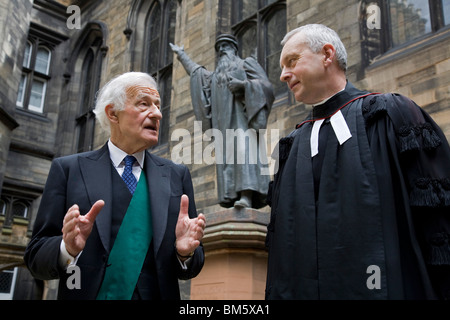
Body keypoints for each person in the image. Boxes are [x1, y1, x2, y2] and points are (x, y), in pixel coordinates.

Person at [265, 24, 450, 300]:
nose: (282, 75)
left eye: (292, 61)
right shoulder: (289, 147)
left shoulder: (390, 115)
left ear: (327, 55)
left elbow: (439, 222)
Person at [24, 72, 206, 300]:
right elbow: (35, 257)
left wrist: (185, 252)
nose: (158, 114)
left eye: (158, 106)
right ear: (113, 114)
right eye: (144, 104)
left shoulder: (177, 175)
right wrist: (66, 249)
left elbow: (194, 262)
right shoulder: (68, 169)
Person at [170, 34, 275, 209]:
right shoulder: (214, 76)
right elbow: (197, 73)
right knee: (228, 159)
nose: (221, 50)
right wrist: (182, 55)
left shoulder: (245, 63)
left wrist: (243, 86)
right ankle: (234, 197)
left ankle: (247, 196)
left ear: (234, 49)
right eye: (219, 48)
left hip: (242, 122)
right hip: (223, 127)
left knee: (244, 153)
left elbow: (266, 86)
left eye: (225, 46)